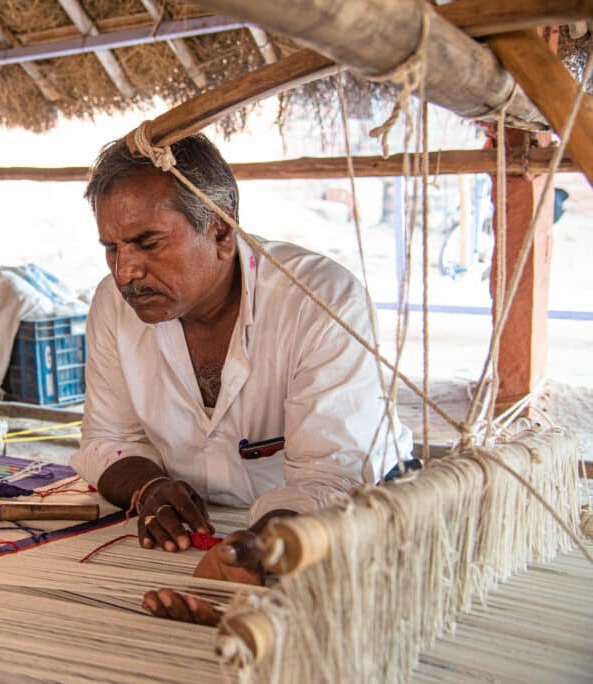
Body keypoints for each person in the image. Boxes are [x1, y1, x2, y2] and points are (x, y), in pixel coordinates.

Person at [70, 134, 413, 625]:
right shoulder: (113, 306)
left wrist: (258, 553)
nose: (125, 272)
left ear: (221, 232)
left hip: (322, 529)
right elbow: (107, 439)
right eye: (112, 249)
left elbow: (332, 475)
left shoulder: (319, 301)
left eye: (147, 243)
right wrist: (150, 487)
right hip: (209, 538)